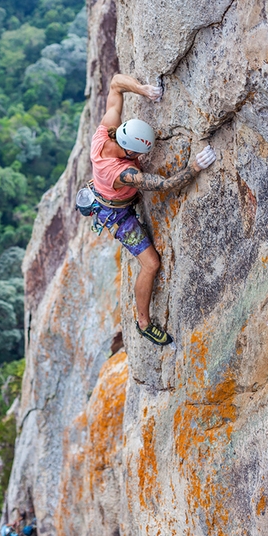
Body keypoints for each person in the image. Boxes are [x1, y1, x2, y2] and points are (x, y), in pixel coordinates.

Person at [90, 74, 216, 346]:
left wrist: (144, 90)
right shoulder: (124, 173)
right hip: (118, 215)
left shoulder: (106, 131)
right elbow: (166, 185)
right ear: (132, 152)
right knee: (151, 264)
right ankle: (143, 323)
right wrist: (196, 167)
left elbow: (115, 83)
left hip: (110, 194)